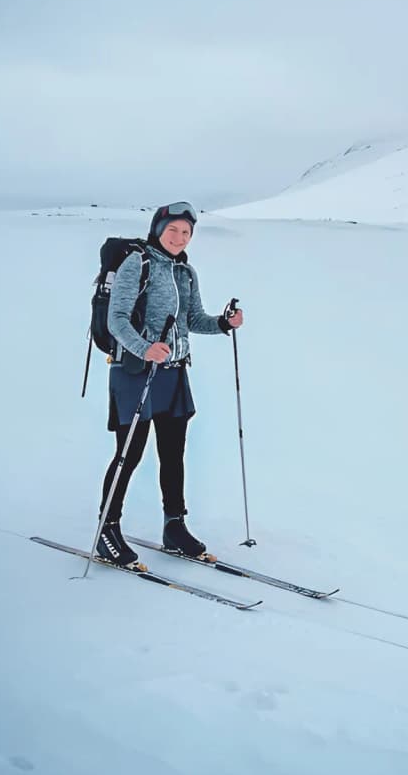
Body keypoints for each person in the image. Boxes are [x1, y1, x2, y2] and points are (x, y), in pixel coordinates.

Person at [95, 201, 244, 567]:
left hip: (174, 373)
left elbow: (193, 319)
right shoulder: (138, 264)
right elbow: (117, 320)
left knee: (173, 453)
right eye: (173, 229)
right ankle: (107, 530)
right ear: (158, 230)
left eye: (186, 232)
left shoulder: (186, 272)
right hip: (135, 373)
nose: (179, 237)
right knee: (129, 454)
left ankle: (174, 525)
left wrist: (223, 324)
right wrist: (146, 349)